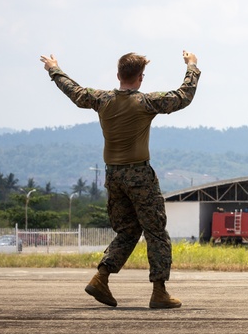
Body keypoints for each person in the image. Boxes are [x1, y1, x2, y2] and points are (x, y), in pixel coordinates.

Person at [39, 51, 201, 309]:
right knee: (156, 232)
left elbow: (74, 91)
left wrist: (54, 68)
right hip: (139, 175)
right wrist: (192, 65)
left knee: (128, 230)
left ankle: (101, 277)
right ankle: (159, 292)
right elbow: (184, 96)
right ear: (140, 78)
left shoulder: (102, 100)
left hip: (113, 175)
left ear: (118, 76)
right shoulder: (146, 102)